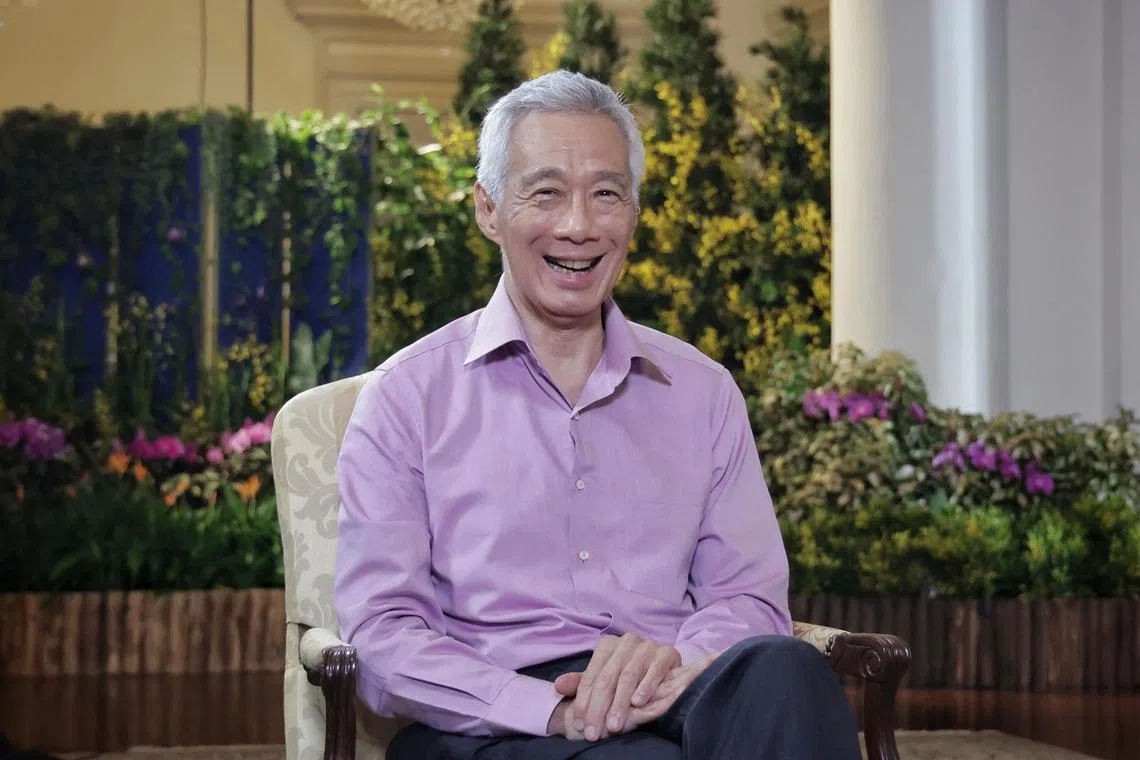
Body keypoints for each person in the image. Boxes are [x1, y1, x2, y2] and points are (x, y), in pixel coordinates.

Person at [334, 70, 861, 760]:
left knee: (788, 670)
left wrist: (668, 669)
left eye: (606, 194)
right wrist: (547, 709)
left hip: (672, 685)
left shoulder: (703, 392)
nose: (578, 225)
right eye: (546, 192)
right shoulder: (407, 397)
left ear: (634, 215)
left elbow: (749, 601)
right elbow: (381, 635)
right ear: (488, 210)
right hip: (495, 717)